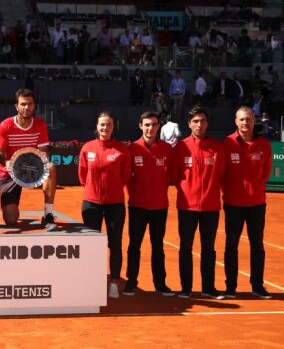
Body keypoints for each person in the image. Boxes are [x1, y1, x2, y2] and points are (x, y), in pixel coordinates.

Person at [172, 107, 225, 299]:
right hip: (187, 207)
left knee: (208, 248)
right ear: (189, 124)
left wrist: (209, 192)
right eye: (195, 121)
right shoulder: (181, 147)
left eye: (202, 121)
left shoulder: (217, 148)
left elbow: (221, 174)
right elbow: (174, 175)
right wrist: (188, 191)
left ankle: (208, 287)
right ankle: (186, 288)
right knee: (186, 247)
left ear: (207, 124)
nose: (199, 125)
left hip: (211, 207)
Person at [78, 111, 131, 298]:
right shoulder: (87, 148)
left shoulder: (122, 150)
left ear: (113, 127)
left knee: (115, 243)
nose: (105, 128)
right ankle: (91, 280)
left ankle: (114, 282)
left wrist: (112, 190)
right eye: (102, 125)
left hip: (115, 204)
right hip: (91, 203)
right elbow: (83, 176)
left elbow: (125, 176)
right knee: (91, 245)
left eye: (108, 125)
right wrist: (93, 191)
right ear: (97, 126)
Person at [222, 107, 272, 299]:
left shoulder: (263, 145)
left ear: (254, 121)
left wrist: (256, 191)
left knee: (257, 245)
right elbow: (222, 173)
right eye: (242, 120)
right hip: (233, 204)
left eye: (249, 119)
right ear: (236, 122)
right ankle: (230, 286)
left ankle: (257, 285)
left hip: (257, 204)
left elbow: (266, 172)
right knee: (231, 245)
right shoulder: (227, 143)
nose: (245, 123)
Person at [124, 111, 174, 297]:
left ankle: (160, 283)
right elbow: (126, 177)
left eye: (153, 124)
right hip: (137, 206)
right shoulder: (132, 149)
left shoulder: (167, 150)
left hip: (160, 206)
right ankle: (131, 282)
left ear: (158, 126)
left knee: (158, 246)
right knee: (134, 245)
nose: (150, 128)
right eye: (146, 125)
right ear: (140, 126)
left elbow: (173, 175)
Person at [0, 88, 58, 231]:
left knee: (51, 166)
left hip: (31, 169)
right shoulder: (6, 125)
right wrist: (7, 163)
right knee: (11, 220)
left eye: (29, 104)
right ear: (16, 106)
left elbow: (43, 154)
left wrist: (35, 172)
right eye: (23, 104)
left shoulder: (40, 125)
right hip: (10, 172)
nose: (26, 107)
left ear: (34, 106)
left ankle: (48, 214)